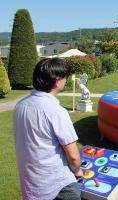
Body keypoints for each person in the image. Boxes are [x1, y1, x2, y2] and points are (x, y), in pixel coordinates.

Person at [14, 58, 83, 200]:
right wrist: (78, 172)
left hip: (31, 183)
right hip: (57, 185)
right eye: (64, 76)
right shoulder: (57, 111)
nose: (66, 79)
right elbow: (73, 156)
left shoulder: (20, 105)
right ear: (57, 81)